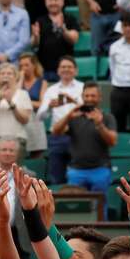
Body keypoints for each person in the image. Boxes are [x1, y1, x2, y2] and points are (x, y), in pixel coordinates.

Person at [51, 82, 117, 201]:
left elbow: (112, 141)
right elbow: (55, 131)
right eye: (86, 96)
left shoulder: (107, 117)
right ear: (82, 97)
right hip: (76, 171)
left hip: (100, 169)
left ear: (100, 98)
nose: (89, 99)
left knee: (100, 207)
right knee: (76, 208)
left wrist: (99, 124)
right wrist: (68, 116)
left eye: (93, 96)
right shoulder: (74, 116)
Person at [36, 56, 83, 184]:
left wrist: (73, 100)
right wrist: (49, 107)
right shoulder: (52, 90)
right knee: (56, 176)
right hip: (57, 137)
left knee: (79, 175)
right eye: (63, 67)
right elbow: (40, 116)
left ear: (76, 70)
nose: (66, 69)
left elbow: (88, 110)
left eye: (69, 67)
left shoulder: (83, 88)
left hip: (79, 136)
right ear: (58, 71)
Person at [0, 63, 31, 158]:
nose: (6, 76)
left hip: (18, 138)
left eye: (9, 73)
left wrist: (11, 103)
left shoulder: (23, 94)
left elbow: (25, 120)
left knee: (16, 171)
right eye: (2, 73)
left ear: (16, 77)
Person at [32, 0, 79, 80]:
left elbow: (74, 39)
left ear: (62, 2)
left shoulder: (70, 19)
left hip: (65, 68)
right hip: (44, 68)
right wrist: (36, 36)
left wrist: (63, 30)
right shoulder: (40, 20)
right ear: (46, 3)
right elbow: (34, 44)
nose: (53, 3)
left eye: (56, 0)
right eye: (50, 0)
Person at [19, 52, 47, 158]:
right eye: (21, 66)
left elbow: (42, 103)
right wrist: (20, 79)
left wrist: (25, 103)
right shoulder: (17, 82)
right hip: (21, 120)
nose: (23, 68)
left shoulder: (42, 82)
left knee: (36, 155)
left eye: (26, 65)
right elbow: (14, 98)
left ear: (34, 65)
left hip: (35, 121)